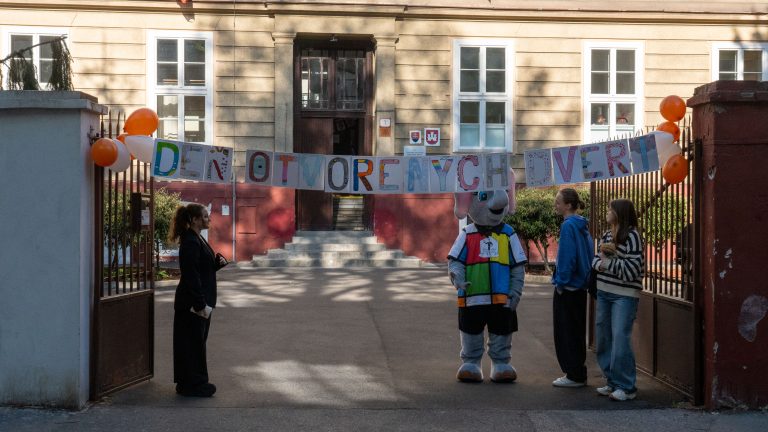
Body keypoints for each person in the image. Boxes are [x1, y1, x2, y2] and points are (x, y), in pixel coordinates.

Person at [168, 203, 228, 397]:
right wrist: (200, 303)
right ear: (194, 220)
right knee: (192, 344)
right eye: (204, 216)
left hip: (198, 302)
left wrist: (215, 265)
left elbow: (200, 268)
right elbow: (191, 275)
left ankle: (188, 382)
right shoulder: (191, 242)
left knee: (194, 343)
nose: (208, 218)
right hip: (193, 305)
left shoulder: (196, 238)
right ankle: (194, 384)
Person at [592, 199, 644, 401]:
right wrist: (606, 264)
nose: (606, 212)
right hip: (603, 291)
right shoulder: (606, 235)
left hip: (625, 295)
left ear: (620, 213)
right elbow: (595, 261)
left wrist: (607, 264)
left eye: (610, 209)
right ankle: (612, 381)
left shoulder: (632, 237)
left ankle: (627, 386)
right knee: (604, 337)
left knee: (621, 337)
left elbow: (633, 271)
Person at [551, 188, 593, 388]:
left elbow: (568, 258)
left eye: (558, 202)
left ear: (568, 205)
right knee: (577, 331)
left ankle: (573, 374)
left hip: (568, 288)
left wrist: (561, 283)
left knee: (566, 331)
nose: (556, 205)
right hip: (580, 287)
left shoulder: (568, 226)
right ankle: (577, 371)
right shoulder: (582, 225)